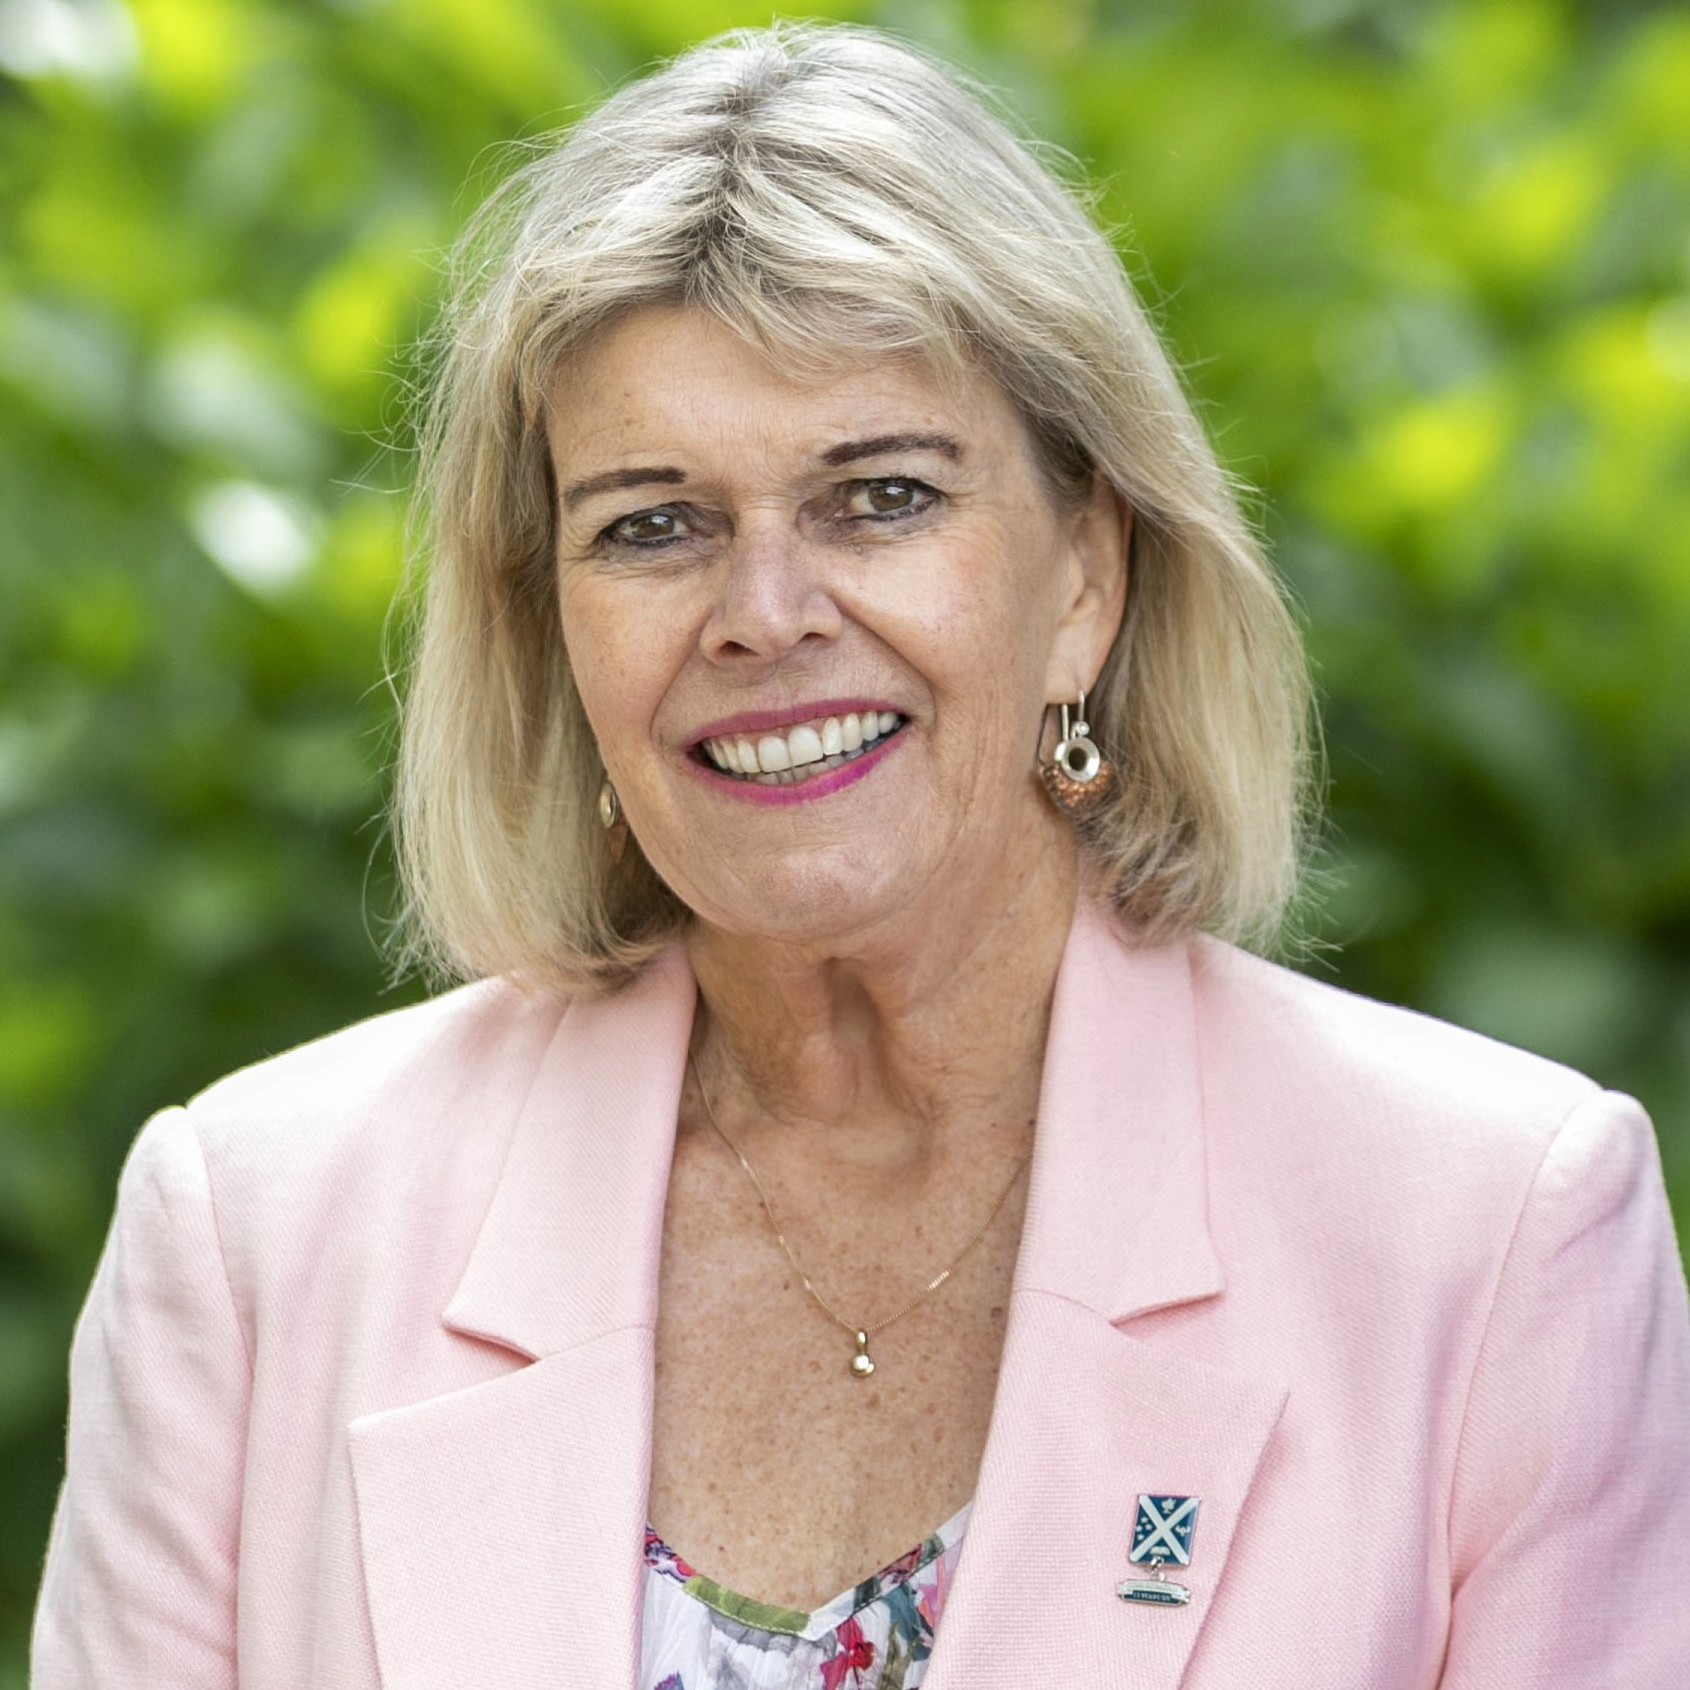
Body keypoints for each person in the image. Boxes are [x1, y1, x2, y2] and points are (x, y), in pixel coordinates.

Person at [31, 22, 1690, 1690]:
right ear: (550, 629)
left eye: (880, 496)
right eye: (651, 524)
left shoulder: (1491, 1237)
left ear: (1083, 579)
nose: (765, 616)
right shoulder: (256, 1233)